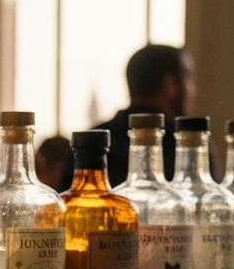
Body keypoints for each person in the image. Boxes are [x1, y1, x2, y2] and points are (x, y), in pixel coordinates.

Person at [59, 43, 197, 191]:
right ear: (171, 84)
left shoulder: (89, 145)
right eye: (189, 79)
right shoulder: (189, 145)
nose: (192, 90)